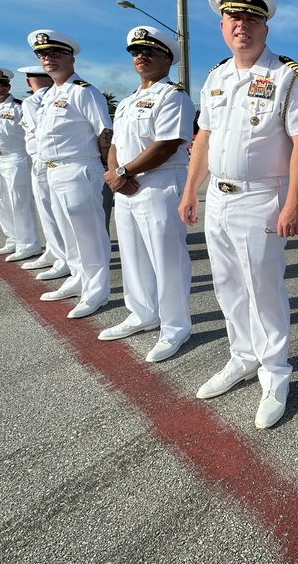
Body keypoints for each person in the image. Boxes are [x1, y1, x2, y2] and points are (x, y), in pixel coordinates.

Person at [180, 0, 298, 429]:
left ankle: (275, 372)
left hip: (262, 197)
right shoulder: (216, 77)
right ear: (222, 25)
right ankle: (242, 355)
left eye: (252, 18)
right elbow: (204, 137)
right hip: (218, 197)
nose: (243, 25)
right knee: (227, 285)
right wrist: (189, 190)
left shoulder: (286, 76)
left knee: (263, 288)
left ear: (265, 26)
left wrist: (293, 203)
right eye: (234, 17)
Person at [100, 26, 195, 363]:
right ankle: (142, 313)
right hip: (126, 187)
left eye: (150, 51)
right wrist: (115, 174)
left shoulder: (174, 96)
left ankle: (175, 326)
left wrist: (124, 172)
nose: (141, 56)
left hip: (159, 184)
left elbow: (168, 144)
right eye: (136, 51)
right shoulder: (126, 102)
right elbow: (114, 144)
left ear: (167, 59)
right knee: (133, 255)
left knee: (166, 259)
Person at [29, 30, 113, 319]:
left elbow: (105, 132)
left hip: (79, 168)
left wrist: (106, 168)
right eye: (42, 55)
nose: (48, 58)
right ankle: (78, 279)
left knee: (89, 235)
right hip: (53, 170)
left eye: (55, 53)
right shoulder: (50, 94)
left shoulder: (84, 91)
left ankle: (97, 291)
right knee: (69, 234)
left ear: (71, 58)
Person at [0, 67, 42, 261]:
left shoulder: (20, 107)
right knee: (1, 199)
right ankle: (12, 239)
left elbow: (33, 132)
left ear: (9, 86)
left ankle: (29, 243)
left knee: (20, 201)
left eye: (4, 84)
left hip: (17, 156)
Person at [16, 63, 70, 280]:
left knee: (50, 211)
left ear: (29, 82)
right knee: (50, 211)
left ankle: (62, 258)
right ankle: (53, 251)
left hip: (44, 159)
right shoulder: (57, 95)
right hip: (50, 159)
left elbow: (39, 132)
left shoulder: (32, 101)